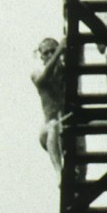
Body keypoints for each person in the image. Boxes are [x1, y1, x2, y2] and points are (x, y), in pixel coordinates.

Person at [31, 37, 67, 173]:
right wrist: (59, 52)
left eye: (53, 51)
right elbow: (42, 80)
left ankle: (71, 172)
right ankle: (59, 172)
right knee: (53, 126)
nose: (50, 55)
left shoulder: (65, 72)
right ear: (41, 57)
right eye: (46, 53)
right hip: (48, 130)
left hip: (65, 127)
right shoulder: (36, 73)